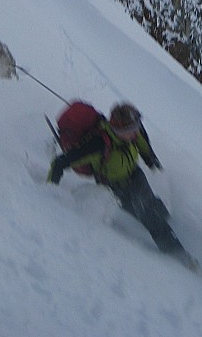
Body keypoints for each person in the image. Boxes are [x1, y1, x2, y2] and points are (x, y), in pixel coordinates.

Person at [47, 103, 191, 262]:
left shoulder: (134, 132)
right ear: (119, 131)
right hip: (114, 189)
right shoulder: (98, 144)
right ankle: (180, 256)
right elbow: (59, 163)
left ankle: (173, 228)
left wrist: (157, 169)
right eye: (132, 130)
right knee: (149, 216)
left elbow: (147, 152)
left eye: (137, 127)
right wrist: (49, 191)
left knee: (152, 208)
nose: (136, 132)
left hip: (136, 177)